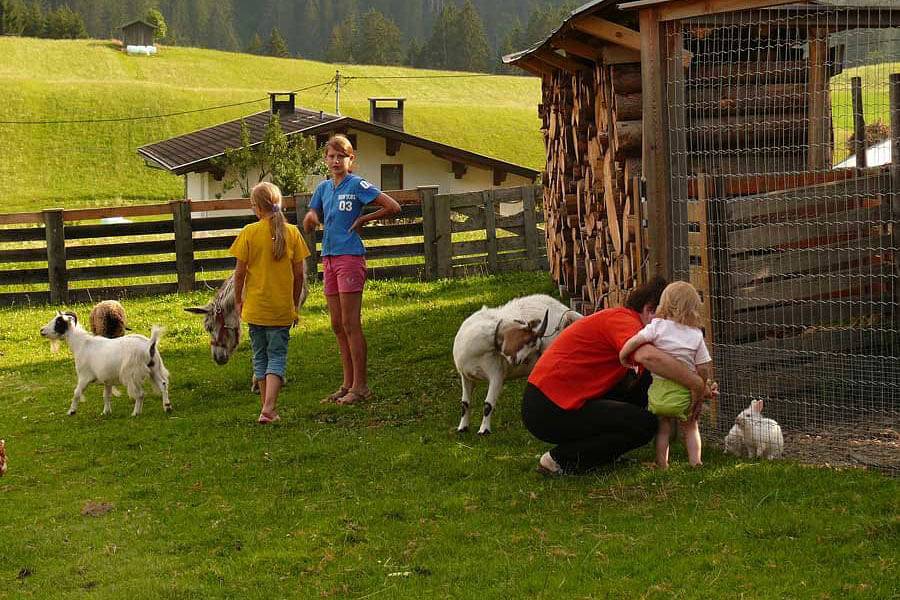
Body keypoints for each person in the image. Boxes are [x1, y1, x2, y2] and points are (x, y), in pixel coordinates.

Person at [521, 276, 718, 474]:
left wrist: (701, 385)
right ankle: (559, 460)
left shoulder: (637, 326)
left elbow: (665, 371)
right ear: (650, 310)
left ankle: (602, 453)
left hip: (558, 400)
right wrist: (695, 383)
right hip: (547, 406)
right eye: (670, 320)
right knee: (644, 425)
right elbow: (648, 357)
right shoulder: (623, 321)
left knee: (646, 386)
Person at [303, 135, 401, 405]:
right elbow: (311, 216)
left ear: (350, 159)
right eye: (331, 156)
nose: (336, 161)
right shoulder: (322, 189)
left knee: (350, 323)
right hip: (329, 258)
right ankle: (347, 384)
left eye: (341, 156)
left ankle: (361, 386)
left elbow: (392, 206)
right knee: (337, 324)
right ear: (325, 159)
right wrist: (311, 219)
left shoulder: (357, 184)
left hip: (350, 257)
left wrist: (364, 219)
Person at [230, 181, 310, 424]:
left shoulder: (248, 232)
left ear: (256, 207)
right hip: (281, 310)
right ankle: (268, 408)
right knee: (276, 356)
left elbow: (240, 274)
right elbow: (299, 276)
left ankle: (267, 408)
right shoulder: (293, 233)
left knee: (260, 356)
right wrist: (295, 305)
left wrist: (238, 301)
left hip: (255, 309)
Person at [618, 281, 713, 469]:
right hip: (685, 394)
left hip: (659, 393)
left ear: (665, 303)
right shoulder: (695, 335)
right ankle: (696, 462)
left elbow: (635, 341)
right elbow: (703, 366)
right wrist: (702, 384)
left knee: (663, 429)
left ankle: (662, 463)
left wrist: (623, 355)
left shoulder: (657, 326)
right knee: (691, 427)